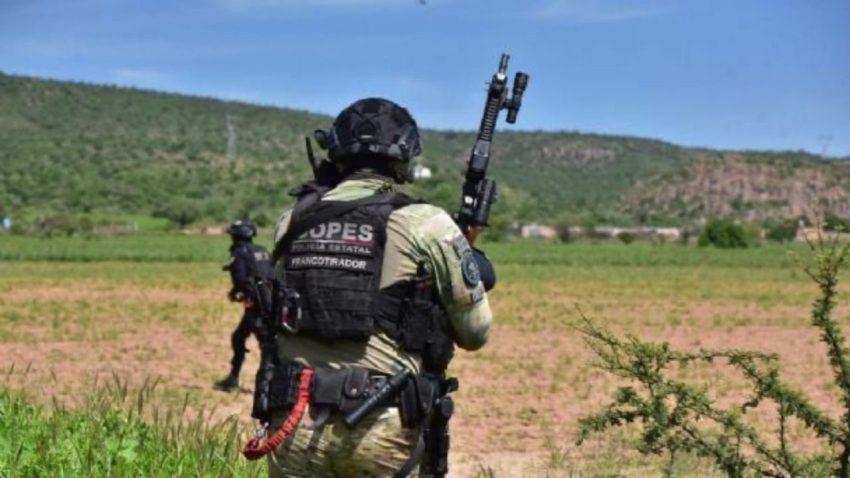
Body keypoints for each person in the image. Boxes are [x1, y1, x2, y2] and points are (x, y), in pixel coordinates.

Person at [255, 98, 494, 477]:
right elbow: (475, 333)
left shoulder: (292, 219)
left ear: (335, 150)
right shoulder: (426, 223)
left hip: (295, 418)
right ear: (405, 156)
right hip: (379, 422)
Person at [215, 219, 274, 392]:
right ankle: (234, 377)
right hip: (269, 301)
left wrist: (235, 293)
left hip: (255, 304)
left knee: (265, 343)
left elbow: (240, 279)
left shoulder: (239, 252)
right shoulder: (262, 250)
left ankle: (267, 385)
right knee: (240, 337)